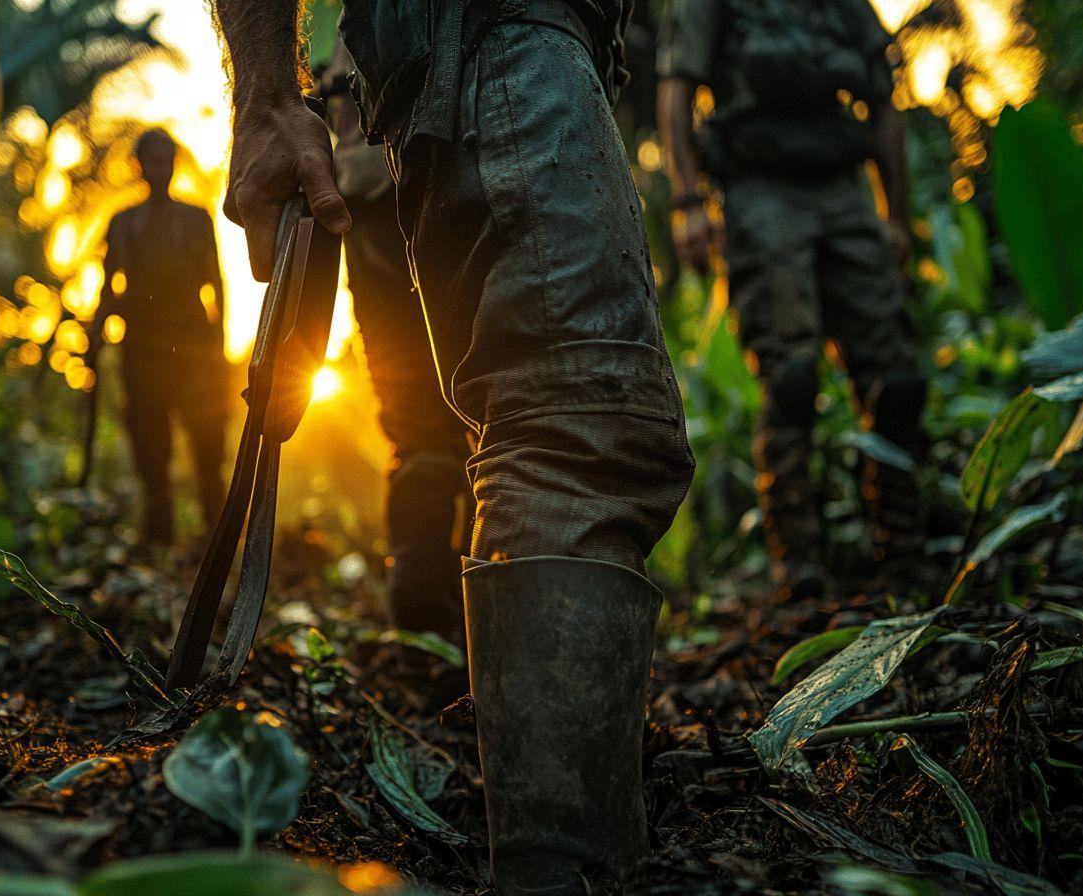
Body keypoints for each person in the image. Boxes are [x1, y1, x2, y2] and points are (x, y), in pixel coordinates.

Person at [211, 0, 696, 891]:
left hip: (410, 121)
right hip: (494, 48)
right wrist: (266, 96)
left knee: (446, 429)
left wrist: (274, 98)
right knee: (576, 423)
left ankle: (440, 652)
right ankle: (558, 863)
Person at [657, 0, 928, 601]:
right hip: (759, 189)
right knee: (792, 377)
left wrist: (896, 217)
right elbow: (676, 87)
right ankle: (799, 560)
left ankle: (904, 552)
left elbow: (884, 101)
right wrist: (688, 201)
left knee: (896, 379)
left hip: (843, 186)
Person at [318, 42, 473, 643]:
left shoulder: (348, 35)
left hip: (381, 187)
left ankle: (430, 614)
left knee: (427, 425)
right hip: (439, 177)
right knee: (473, 418)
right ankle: (440, 611)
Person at [95, 129, 231, 547]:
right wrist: (94, 338)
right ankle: (159, 540)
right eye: (153, 161)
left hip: (193, 350)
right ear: (138, 166)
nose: (160, 169)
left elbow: (216, 283)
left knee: (208, 448)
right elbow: (108, 287)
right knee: (150, 452)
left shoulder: (196, 218)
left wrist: (218, 346)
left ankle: (218, 539)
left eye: (166, 160)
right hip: (142, 351)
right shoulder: (123, 223)